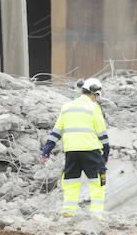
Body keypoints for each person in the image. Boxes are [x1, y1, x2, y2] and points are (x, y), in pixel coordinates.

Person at [40, 77, 110, 218]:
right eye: (97, 96)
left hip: (71, 152)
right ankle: (96, 215)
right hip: (91, 151)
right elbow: (102, 135)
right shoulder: (94, 108)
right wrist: (105, 156)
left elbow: (56, 132)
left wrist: (45, 152)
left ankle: (68, 212)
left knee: (71, 182)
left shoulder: (66, 107)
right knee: (98, 183)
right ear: (94, 94)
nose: (97, 99)